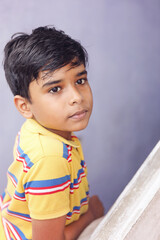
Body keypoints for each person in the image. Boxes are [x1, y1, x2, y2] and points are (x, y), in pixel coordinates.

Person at [0, 26, 104, 240]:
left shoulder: (43, 129)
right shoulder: (50, 158)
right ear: (24, 106)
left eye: (80, 80)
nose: (76, 97)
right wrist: (91, 214)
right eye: (55, 89)